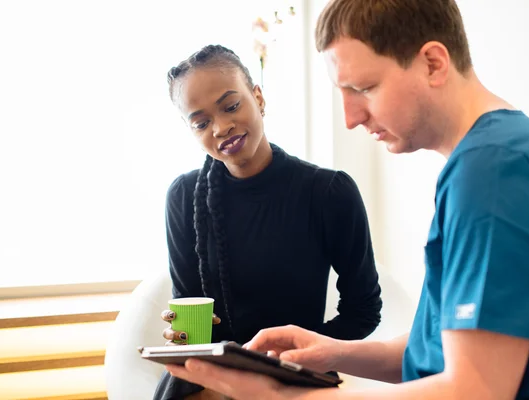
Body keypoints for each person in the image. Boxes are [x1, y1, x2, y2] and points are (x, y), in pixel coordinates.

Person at [164, 0, 529, 399]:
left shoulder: (494, 174)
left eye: (364, 88)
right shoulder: (486, 163)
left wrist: (284, 395)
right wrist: (331, 351)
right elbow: (435, 350)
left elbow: (473, 390)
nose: (351, 118)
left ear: (433, 63)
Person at [153, 44, 383, 399]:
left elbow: (364, 310)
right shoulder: (183, 197)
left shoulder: (329, 193)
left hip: (294, 377)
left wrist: (295, 354)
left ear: (258, 98)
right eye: (201, 122)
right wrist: (183, 338)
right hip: (207, 381)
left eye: (231, 106)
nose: (222, 127)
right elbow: (188, 308)